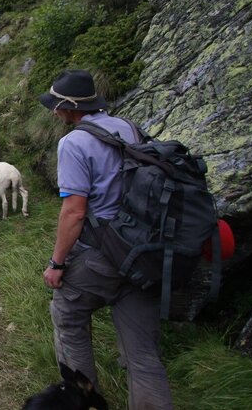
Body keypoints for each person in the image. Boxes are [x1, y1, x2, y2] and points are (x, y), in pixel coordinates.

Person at [38, 69, 173, 410]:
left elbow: (74, 212)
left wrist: (57, 263)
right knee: (143, 354)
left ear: (69, 107)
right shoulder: (127, 128)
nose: (54, 112)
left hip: (103, 253)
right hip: (143, 250)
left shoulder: (73, 143)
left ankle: (82, 401)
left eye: (57, 106)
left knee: (67, 314)